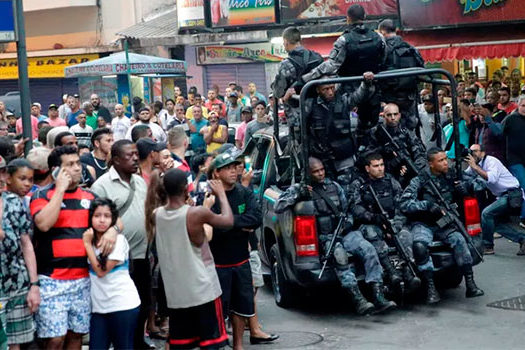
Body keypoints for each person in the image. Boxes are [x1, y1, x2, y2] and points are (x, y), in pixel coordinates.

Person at [275, 157, 396, 314]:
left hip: (344, 232)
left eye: (322, 170)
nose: (320, 174)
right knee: (339, 256)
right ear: (308, 173)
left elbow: (348, 209)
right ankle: (359, 300)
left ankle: (378, 295)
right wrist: (300, 193)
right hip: (326, 238)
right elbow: (279, 206)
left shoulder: (334, 186)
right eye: (316, 172)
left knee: (368, 249)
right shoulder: (300, 189)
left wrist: (346, 224)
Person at [30, 145, 118, 349]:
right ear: (55, 170)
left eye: (78, 163)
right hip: (52, 280)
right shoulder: (41, 196)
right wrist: (60, 189)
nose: (78, 168)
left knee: (76, 335)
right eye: (70, 165)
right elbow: (43, 224)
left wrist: (113, 229)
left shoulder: (89, 197)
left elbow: (112, 219)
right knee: (54, 339)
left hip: (83, 279)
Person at [154, 169, 233, 349]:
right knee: (211, 343)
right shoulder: (195, 213)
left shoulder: (157, 214)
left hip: (177, 294)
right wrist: (221, 194)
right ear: (185, 189)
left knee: (182, 344)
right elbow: (228, 221)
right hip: (202, 289)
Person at [400, 148, 484, 304]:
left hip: (445, 223)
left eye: (446, 159)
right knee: (419, 246)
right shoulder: (420, 180)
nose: (446, 162)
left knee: (460, 239)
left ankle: (470, 284)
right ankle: (431, 287)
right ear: (431, 164)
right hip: (424, 223)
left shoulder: (451, 175)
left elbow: (478, 184)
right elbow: (404, 204)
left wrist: (464, 189)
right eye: (441, 160)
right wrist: (426, 205)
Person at [90, 140, 152, 349]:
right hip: (116, 259)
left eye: (136, 154)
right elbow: (97, 219)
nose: (135, 158)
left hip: (141, 254)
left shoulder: (140, 181)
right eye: (129, 155)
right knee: (120, 307)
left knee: (143, 303)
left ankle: (137, 341)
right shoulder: (101, 185)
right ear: (115, 160)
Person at [208, 152, 273, 349]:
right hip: (218, 263)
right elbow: (213, 227)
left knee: (242, 307)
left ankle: (238, 345)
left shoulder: (243, 192)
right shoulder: (210, 196)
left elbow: (255, 218)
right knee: (218, 309)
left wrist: (229, 221)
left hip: (241, 261)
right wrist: (236, 224)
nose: (233, 171)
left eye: (234, 167)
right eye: (227, 168)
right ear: (217, 173)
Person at [301, 4, 384, 132]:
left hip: (348, 93)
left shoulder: (344, 40)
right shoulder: (379, 37)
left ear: (348, 19)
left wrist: (306, 78)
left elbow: (331, 65)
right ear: (365, 17)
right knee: (370, 128)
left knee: (345, 130)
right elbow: (383, 60)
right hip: (373, 90)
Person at [348, 153, 421, 290]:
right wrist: (372, 217)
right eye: (376, 166)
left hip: (392, 222)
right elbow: (355, 208)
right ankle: (390, 271)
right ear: (367, 168)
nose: (380, 169)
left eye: (382, 165)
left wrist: (396, 224)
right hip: (371, 224)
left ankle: (407, 270)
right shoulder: (359, 184)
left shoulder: (391, 181)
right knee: (372, 234)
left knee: (405, 235)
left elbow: (402, 205)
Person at [83, 198, 141, 350]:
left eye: (107, 216)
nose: (102, 220)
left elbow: (101, 271)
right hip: (99, 308)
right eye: (97, 216)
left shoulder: (119, 240)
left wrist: (87, 245)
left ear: (113, 219)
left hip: (122, 305)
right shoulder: (90, 238)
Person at [0, 159, 40, 348]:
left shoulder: (14, 202)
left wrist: (33, 285)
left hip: (17, 281)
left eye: (2, 173)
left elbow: (26, 245)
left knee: (16, 342)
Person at [305, 73, 374, 176]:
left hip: (343, 155)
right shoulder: (311, 105)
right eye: (325, 89)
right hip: (321, 157)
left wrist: (366, 83)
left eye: (332, 88)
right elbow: (298, 123)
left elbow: (358, 96)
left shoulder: (344, 101)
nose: (330, 92)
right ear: (318, 90)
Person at [465, 144, 525, 255]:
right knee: (493, 223)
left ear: (482, 152)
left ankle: (488, 246)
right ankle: (522, 239)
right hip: (502, 196)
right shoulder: (477, 163)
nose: (472, 154)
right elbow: (466, 175)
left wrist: (475, 167)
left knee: (487, 214)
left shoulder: (491, 161)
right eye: (471, 152)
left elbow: (491, 179)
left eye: (475, 151)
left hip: (512, 194)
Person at [378, 19, 425, 131]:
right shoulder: (411, 49)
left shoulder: (381, 51)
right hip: (409, 100)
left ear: (382, 32)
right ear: (396, 30)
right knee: (410, 132)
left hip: (389, 101)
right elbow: (422, 72)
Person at [272, 26, 323, 126]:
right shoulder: (317, 58)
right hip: (320, 112)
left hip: (297, 115)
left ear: (286, 41)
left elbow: (278, 92)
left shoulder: (286, 64)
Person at [367, 103, 427, 184]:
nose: (393, 118)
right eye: (389, 115)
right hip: (384, 170)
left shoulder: (406, 132)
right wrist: (383, 150)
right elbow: (366, 155)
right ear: (383, 116)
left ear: (399, 115)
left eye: (395, 114)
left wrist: (411, 167)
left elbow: (420, 153)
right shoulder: (376, 132)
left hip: (407, 169)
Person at [502, 96, 525, 227]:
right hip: (514, 159)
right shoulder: (511, 119)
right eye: (523, 106)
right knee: (524, 186)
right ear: (518, 105)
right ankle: (523, 217)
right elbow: (499, 133)